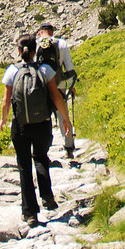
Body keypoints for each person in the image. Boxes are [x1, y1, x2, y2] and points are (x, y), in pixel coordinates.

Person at [0, 33, 72, 228]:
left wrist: (3, 119)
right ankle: (47, 197)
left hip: (20, 125)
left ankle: (30, 213)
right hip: (43, 122)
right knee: (41, 157)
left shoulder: (12, 71)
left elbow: (6, 101)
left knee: (24, 167)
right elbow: (56, 97)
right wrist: (66, 119)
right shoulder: (45, 70)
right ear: (35, 50)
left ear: (18, 51)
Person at [37, 22, 78, 159]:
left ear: (40, 32)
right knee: (63, 116)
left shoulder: (36, 44)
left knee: (43, 119)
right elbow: (69, 67)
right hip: (59, 83)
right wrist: (71, 85)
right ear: (52, 32)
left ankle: (43, 150)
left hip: (41, 86)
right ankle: (69, 147)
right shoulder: (61, 43)